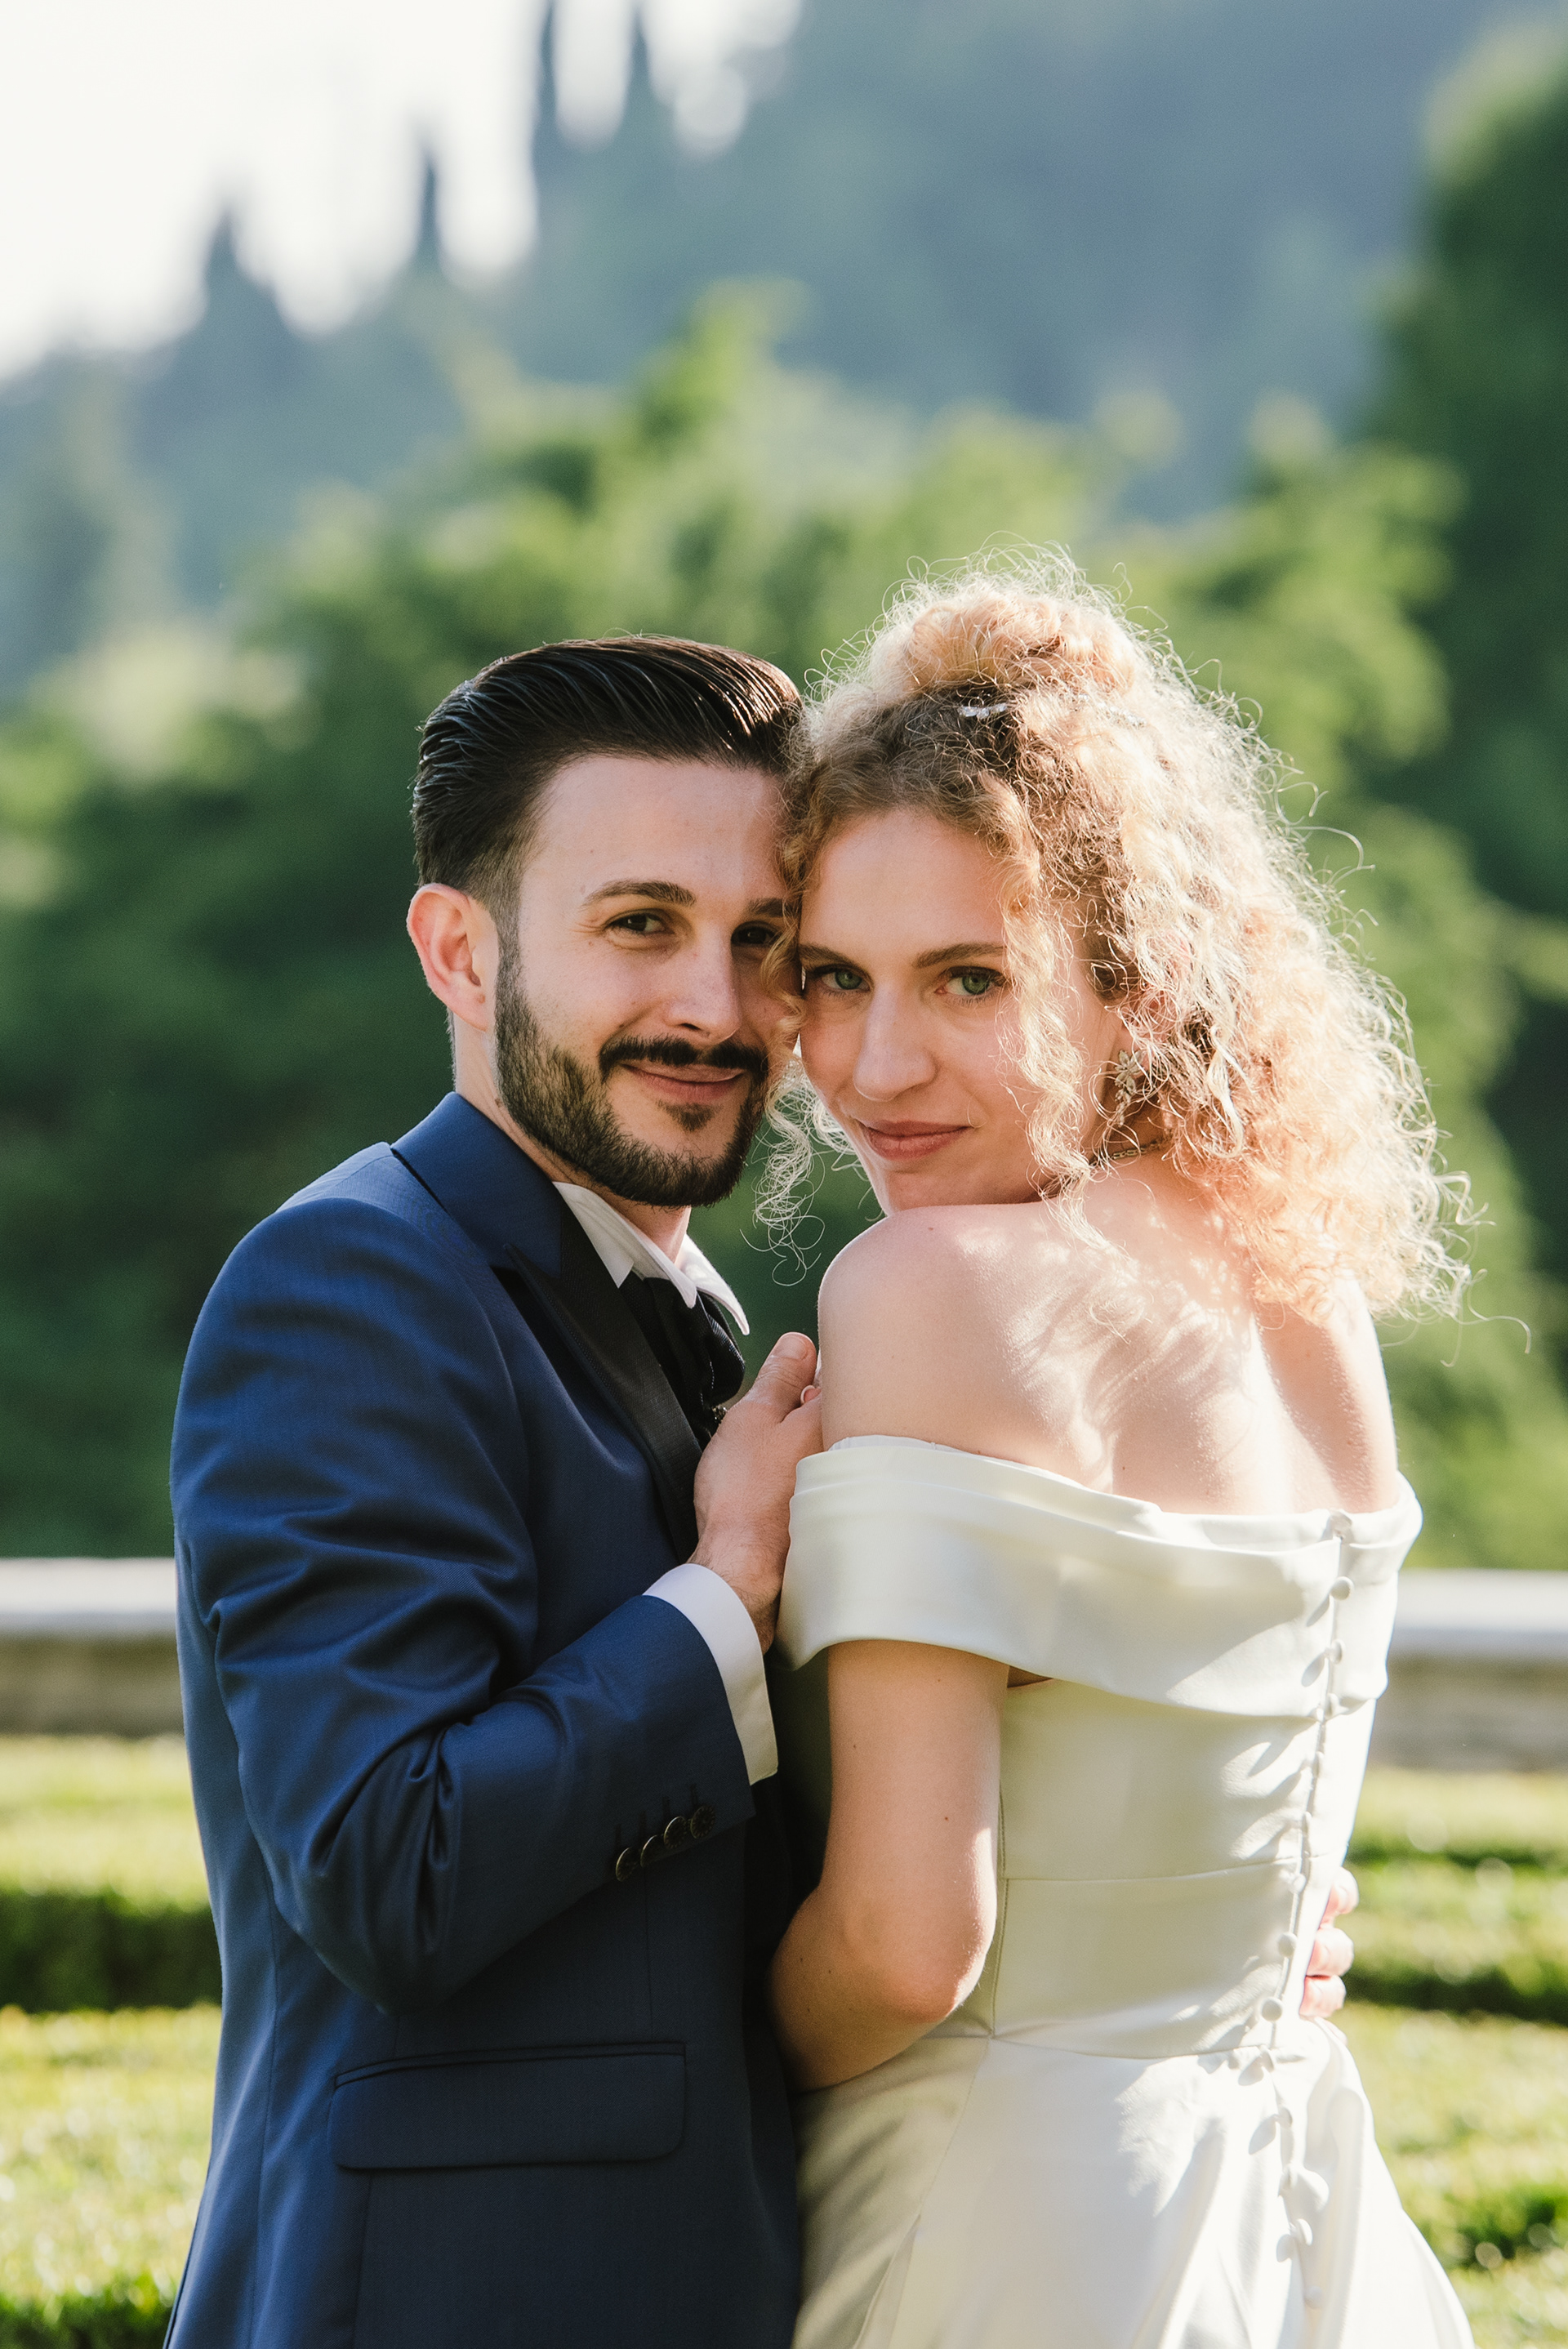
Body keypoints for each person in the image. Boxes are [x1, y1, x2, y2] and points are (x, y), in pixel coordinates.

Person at [764, 568, 1473, 2347]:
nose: (874, 1064)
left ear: (1136, 987)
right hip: (1296, 2216)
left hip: (997, 2230)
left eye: (969, 979)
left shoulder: (928, 1288)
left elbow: (906, 1947)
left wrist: (634, 2040)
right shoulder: (1311, 1302)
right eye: (834, 978)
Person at [166, 637, 823, 2347]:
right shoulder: (351, 1283)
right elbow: (392, 1867)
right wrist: (724, 1594)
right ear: (462, 951)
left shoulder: (687, 1317)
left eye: (763, 940)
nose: (715, 1007)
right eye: (641, 925)